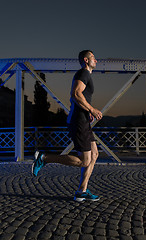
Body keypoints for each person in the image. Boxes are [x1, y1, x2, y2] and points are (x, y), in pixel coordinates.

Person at [32, 50, 103, 202]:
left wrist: (87, 110)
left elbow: (80, 98)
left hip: (83, 120)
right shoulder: (83, 73)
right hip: (78, 122)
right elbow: (76, 94)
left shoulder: (86, 75)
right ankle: (44, 158)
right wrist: (92, 109)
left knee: (95, 155)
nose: (96, 60)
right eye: (93, 58)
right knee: (84, 161)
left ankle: (82, 191)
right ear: (86, 60)